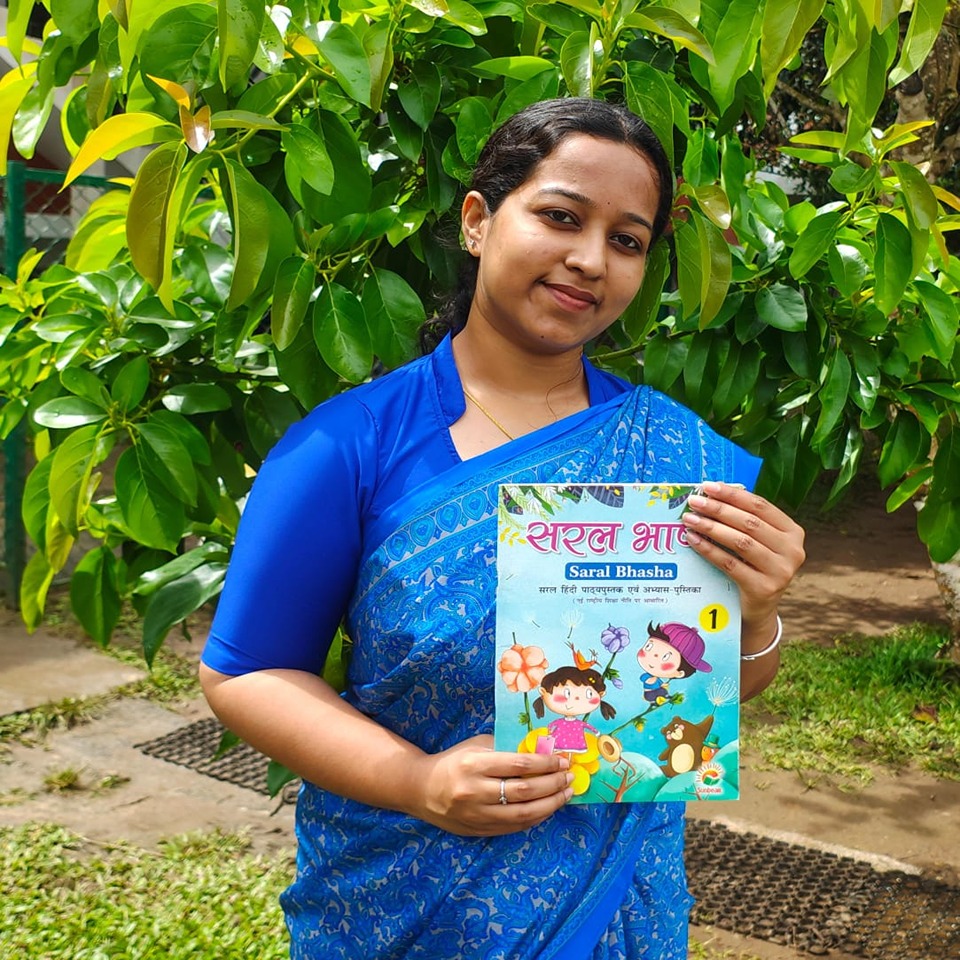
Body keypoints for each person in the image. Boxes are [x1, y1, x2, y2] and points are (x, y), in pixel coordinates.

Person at [199, 97, 806, 959]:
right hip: (404, 907)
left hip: (618, 917)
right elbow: (248, 670)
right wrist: (418, 781)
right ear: (479, 221)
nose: (590, 259)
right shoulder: (349, 445)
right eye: (560, 216)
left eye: (627, 240)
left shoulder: (671, 453)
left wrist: (758, 612)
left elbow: (702, 691)